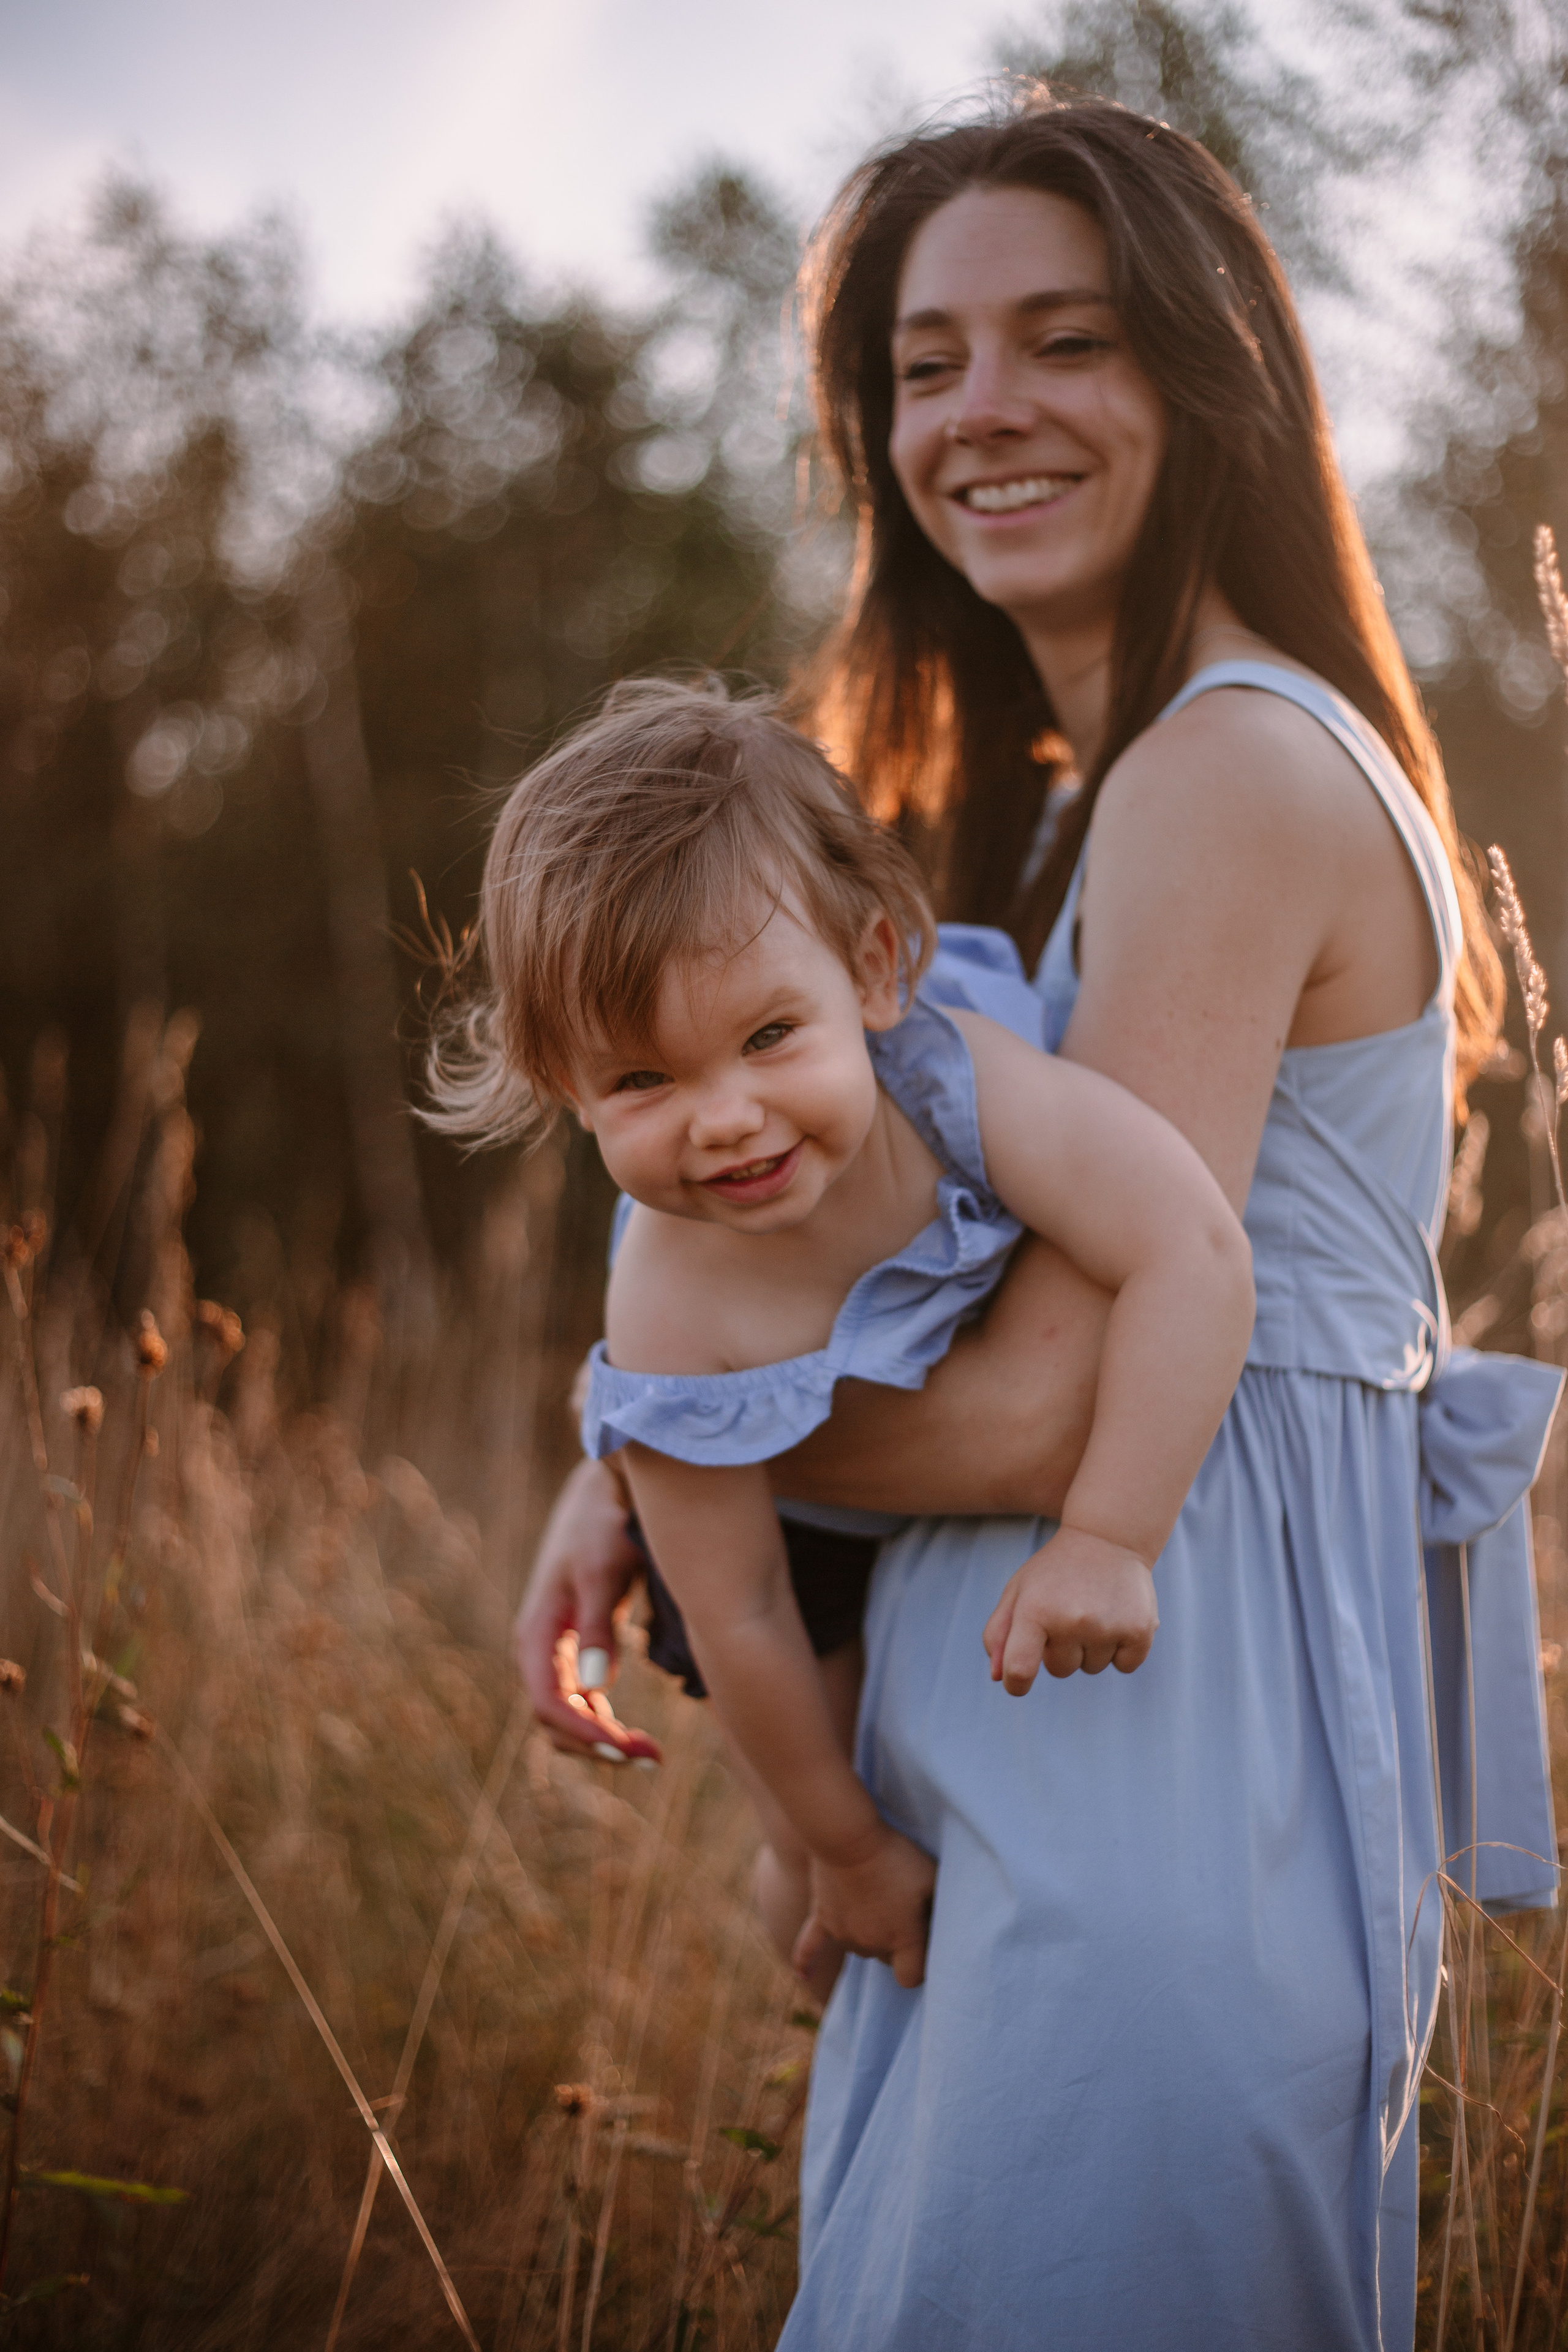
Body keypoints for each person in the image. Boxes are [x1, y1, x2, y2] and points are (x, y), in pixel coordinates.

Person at [515, 87, 1564, 2350]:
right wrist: (647, 1459)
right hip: (1062, 1748)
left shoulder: (1224, 771)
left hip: (1169, 1740)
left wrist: (671, 1440)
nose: (981, 409)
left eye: (1064, 339)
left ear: (1206, 380)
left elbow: (1052, 1400)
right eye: (922, 363)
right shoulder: (1103, 796)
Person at [428, 676, 1253, 1982]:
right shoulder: (663, 1312)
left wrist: (1109, 1538)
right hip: (788, 1543)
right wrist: (844, 1846)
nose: (726, 1117)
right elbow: (743, 1605)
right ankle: (823, 1978)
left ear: (869, 973)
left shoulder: (951, 1079)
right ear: (561, 1086)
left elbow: (1188, 1246)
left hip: (953, 1471)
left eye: (767, 1037)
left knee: (1002, 1799)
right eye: (641, 1079)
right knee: (805, 1854)